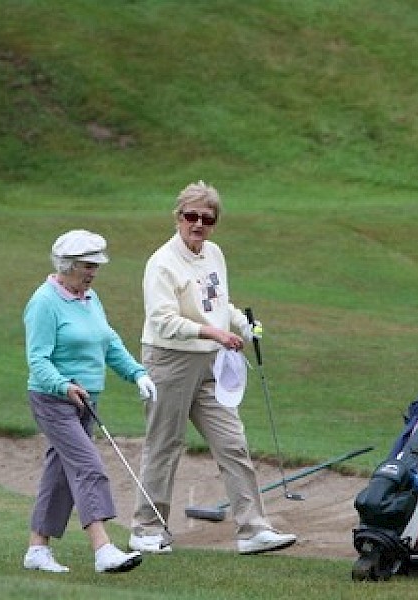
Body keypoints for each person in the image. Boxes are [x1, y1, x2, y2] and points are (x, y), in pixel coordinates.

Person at [129, 181, 297, 555]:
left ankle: (253, 529)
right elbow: (163, 321)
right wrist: (214, 333)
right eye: (191, 216)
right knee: (164, 445)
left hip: (210, 360)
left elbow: (218, 302)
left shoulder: (214, 254)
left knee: (232, 442)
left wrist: (242, 325)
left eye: (207, 218)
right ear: (178, 217)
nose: (198, 224)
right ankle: (146, 529)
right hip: (168, 360)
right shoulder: (162, 263)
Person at [22, 229, 158, 574]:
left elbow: (108, 342)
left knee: (59, 475)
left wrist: (137, 373)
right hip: (53, 400)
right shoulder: (44, 302)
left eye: (96, 265)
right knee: (88, 467)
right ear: (67, 265)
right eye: (87, 265)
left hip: (86, 401)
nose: (93, 272)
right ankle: (103, 549)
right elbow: (38, 360)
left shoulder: (89, 298)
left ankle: (37, 550)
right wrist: (64, 385)